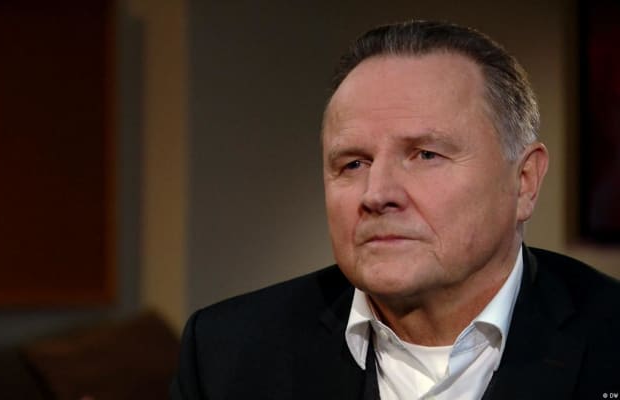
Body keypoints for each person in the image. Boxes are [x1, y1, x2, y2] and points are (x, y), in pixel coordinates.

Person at [170, 20, 620, 400]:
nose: (377, 193)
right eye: (353, 163)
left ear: (524, 181)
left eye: (425, 155)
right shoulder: (228, 355)